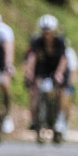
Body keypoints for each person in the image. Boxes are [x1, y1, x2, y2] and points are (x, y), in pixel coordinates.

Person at [24, 14, 68, 143]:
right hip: (42, 68)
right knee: (34, 91)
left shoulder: (60, 41)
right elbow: (32, 58)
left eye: (48, 32)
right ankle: (34, 118)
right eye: (44, 31)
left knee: (60, 92)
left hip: (56, 69)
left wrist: (59, 73)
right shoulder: (37, 41)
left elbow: (63, 59)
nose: (46, 34)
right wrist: (29, 73)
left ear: (53, 31)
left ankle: (59, 119)